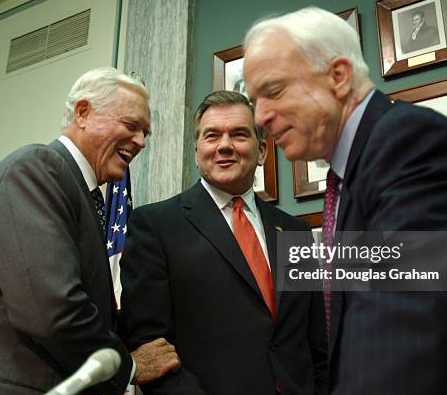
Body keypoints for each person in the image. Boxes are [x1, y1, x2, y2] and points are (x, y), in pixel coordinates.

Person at [243, 7, 447, 395]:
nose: (260, 116)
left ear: (338, 77)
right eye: (254, 99)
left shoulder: (407, 144)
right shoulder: (350, 175)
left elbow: (397, 337)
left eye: (273, 92)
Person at [0, 67, 180, 395]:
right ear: (83, 113)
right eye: (131, 125)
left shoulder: (79, 193)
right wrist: (128, 366)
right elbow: (52, 311)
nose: (141, 142)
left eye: (145, 132)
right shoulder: (38, 169)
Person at [120, 90, 327, 395]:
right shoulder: (154, 226)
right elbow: (150, 348)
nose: (225, 145)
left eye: (239, 134)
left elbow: (315, 343)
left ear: (263, 151)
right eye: (212, 135)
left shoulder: (294, 231)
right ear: (197, 149)